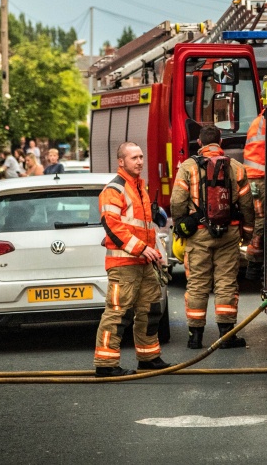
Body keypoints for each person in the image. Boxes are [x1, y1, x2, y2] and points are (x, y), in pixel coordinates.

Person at [171, 124, 254, 350]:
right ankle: (227, 337)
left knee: (197, 283)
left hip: (198, 234)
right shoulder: (236, 167)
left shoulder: (188, 167)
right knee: (226, 283)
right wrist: (247, 234)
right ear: (221, 142)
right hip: (229, 233)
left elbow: (177, 200)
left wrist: (180, 225)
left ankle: (195, 337)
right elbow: (247, 204)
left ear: (199, 142)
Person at [93, 142, 172, 376]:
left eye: (141, 157)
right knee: (118, 314)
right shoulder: (114, 189)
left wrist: (155, 253)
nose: (139, 161)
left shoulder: (139, 187)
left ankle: (148, 358)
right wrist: (140, 248)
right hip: (124, 264)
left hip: (143, 262)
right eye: (134, 158)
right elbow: (112, 225)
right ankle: (106, 365)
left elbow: (144, 228)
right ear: (121, 162)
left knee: (150, 310)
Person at [242, 111, 266, 281]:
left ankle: (254, 263)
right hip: (259, 177)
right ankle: (254, 263)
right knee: (261, 218)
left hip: (253, 176)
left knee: (257, 217)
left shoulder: (258, 121)